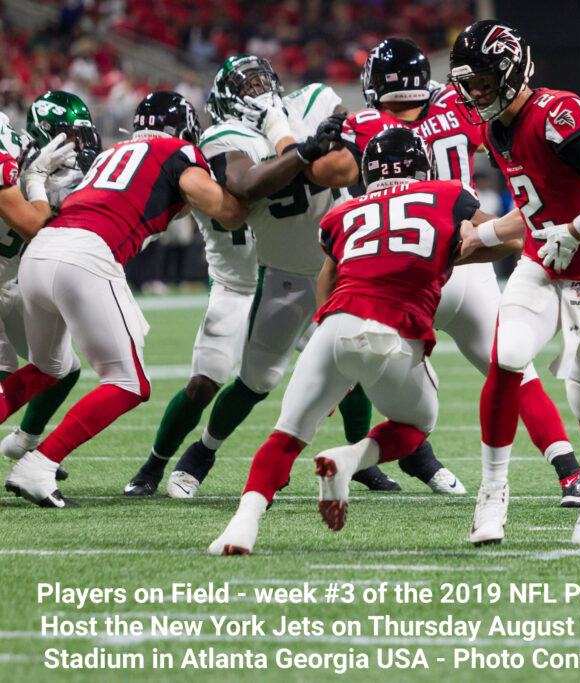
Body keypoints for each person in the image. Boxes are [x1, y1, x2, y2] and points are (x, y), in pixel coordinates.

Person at [123, 56, 416, 498]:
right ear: (224, 97)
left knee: (356, 362)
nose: (257, 89)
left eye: (262, 79)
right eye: (246, 84)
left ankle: (363, 459)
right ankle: (164, 462)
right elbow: (245, 185)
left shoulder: (314, 100)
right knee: (227, 380)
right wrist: (299, 148)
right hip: (251, 277)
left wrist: (303, 141)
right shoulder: (224, 136)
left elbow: (342, 156)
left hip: (328, 263)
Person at [208, 128, 482, 554]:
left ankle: (240, 527)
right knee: (416, 426)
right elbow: (504, 239)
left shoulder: (343, 213)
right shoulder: (448, 194)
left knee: (285, 436)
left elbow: (327, 279)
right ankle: (351, 458)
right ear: (422, 165)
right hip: (394, 330)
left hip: (335, 326)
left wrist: (325, 345)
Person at [336, 37, 580, 505]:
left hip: (407, 268)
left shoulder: (365, 124)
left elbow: (331, 174)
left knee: (372, 372)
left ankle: (401, 456)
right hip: (467, 252)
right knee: (515, 369)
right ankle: (568, 471)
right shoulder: (458, 105)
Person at [449, 21, 580, 545]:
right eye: (470, 85)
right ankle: (492, 491)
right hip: (542, 264)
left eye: (486, 82)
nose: (477, 94)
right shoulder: (495, 130)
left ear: (514, 72)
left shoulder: (557, 114)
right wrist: (483, 235)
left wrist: (579, 230)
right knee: (508, 354)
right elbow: (535, 210)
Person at [3, 91, 247, 508]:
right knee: (128, 383)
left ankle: (30, 450)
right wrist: (246, 199)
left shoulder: (112, 154)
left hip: (40, 252)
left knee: (49, 369)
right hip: (86, 256)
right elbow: (215, 205)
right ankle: (38, 465)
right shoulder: (176, 149)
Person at [1, 91, 104, 478]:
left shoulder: (47, 167)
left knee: (62, 366)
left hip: (13, 281)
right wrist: (38, 179)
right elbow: (36, 228)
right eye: (68, 134)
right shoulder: (21, 167)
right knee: (5, 376)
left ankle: (26, 441)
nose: (77, 143)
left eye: (80, 134)